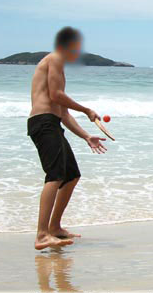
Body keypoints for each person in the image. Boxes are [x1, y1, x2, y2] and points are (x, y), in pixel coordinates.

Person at [28, 27, 108, 250]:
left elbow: (63, 112)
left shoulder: (59, 67)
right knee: (54, 175)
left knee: (71, 175)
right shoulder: (54, 59)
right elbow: (56, 96)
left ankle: (54, 228)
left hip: (51, 122)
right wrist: (86, 109)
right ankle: (42, 234)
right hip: (42, 123)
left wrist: (86, 136)